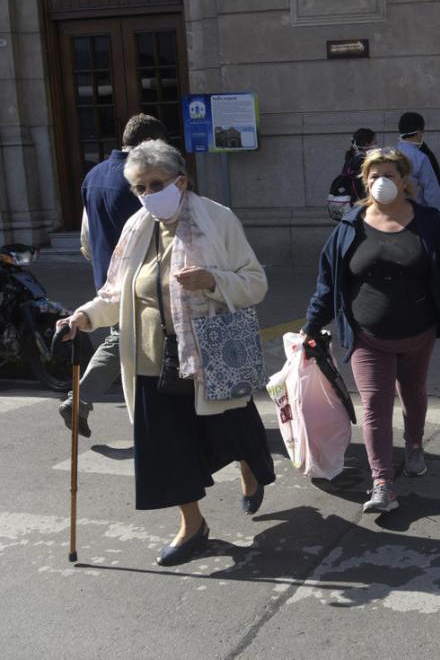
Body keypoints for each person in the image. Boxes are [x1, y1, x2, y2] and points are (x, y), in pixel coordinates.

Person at [55, 140, 276, 567]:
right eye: (139, 187)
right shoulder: (136, 229)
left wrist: (213, 280)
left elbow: (255, 283)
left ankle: (248, 468)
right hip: (151, 358)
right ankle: (192, 526)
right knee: (166, 448)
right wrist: (83, 317)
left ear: (181, 180)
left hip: (210, 355)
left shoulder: (218, 219)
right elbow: (117, 294)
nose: (147, 193)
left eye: (155, 184)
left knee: (231, 433)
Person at [303, 148, 440, 514]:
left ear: (404, 180)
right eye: (373, 176)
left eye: (388, 174)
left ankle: (414, 445)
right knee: (375, 405)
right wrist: (311, 326)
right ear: (364, 181)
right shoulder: (349, 226)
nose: (380, 181)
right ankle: (383, 483)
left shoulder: (428, 222)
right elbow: (328, 283)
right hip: (367, 336)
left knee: (413, 392)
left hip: (418, 332)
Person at [58, 113, 169, 438]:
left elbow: (85, 235)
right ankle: (79, 400)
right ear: (149, 144)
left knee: (122, 337)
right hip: (139, 277)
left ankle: (79, 400)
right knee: (131, 339)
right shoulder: (142, 180)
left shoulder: (92, 176)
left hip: (106, 274)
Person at [395, 112, 440, 214]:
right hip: (414, 214)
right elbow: (432, 193)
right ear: (419, 133)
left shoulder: (390, 153)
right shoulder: (420, 158)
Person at [328, 128, 377, 210]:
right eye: (375, 142)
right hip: (360, 205)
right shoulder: (362, 161)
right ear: (366, 144)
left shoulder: (352, 158)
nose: (376, 145)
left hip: (352, 204)